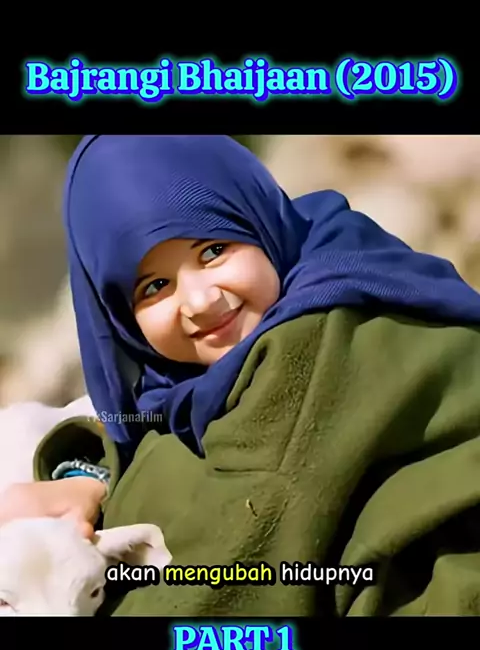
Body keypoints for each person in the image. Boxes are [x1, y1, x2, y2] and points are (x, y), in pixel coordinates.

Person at [3, 134, 480, 617]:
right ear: (119, 317)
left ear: (254, 217)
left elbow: (231, 575)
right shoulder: (318, 251)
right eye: (155, 286)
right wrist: (90, 476)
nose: (201, 301)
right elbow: (162, 437)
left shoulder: (312, 342)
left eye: (213, 250)